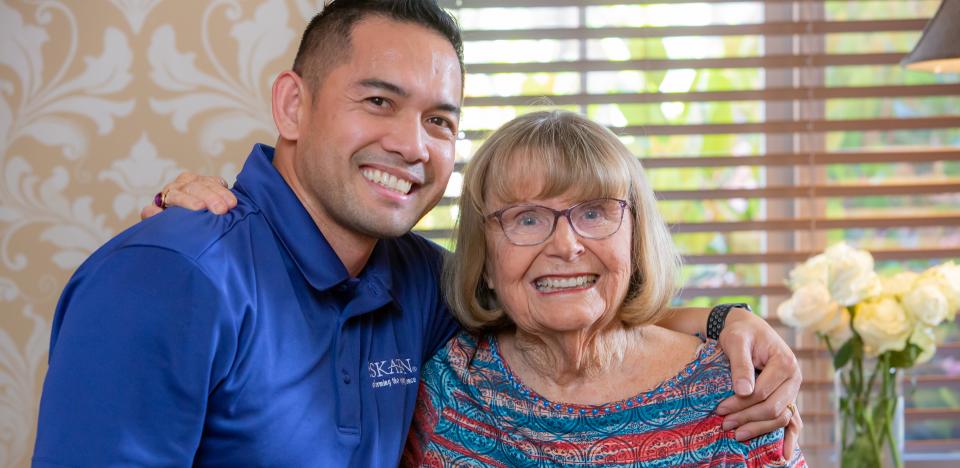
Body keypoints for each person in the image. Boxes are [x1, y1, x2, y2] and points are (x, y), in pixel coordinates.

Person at [34, 1, 799, 466]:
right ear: (293, 106)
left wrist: (731, 324)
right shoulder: (171, 275)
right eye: (377, 100)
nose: (412, 144)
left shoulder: (419, 283)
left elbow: (561, 294)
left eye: (439, 120)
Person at [401, 110, 805, 466]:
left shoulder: (735, 391)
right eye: (526, 219)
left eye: (593, 212)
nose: (565, 246)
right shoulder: (447, 387)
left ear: (634, 239)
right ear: (486, 261)